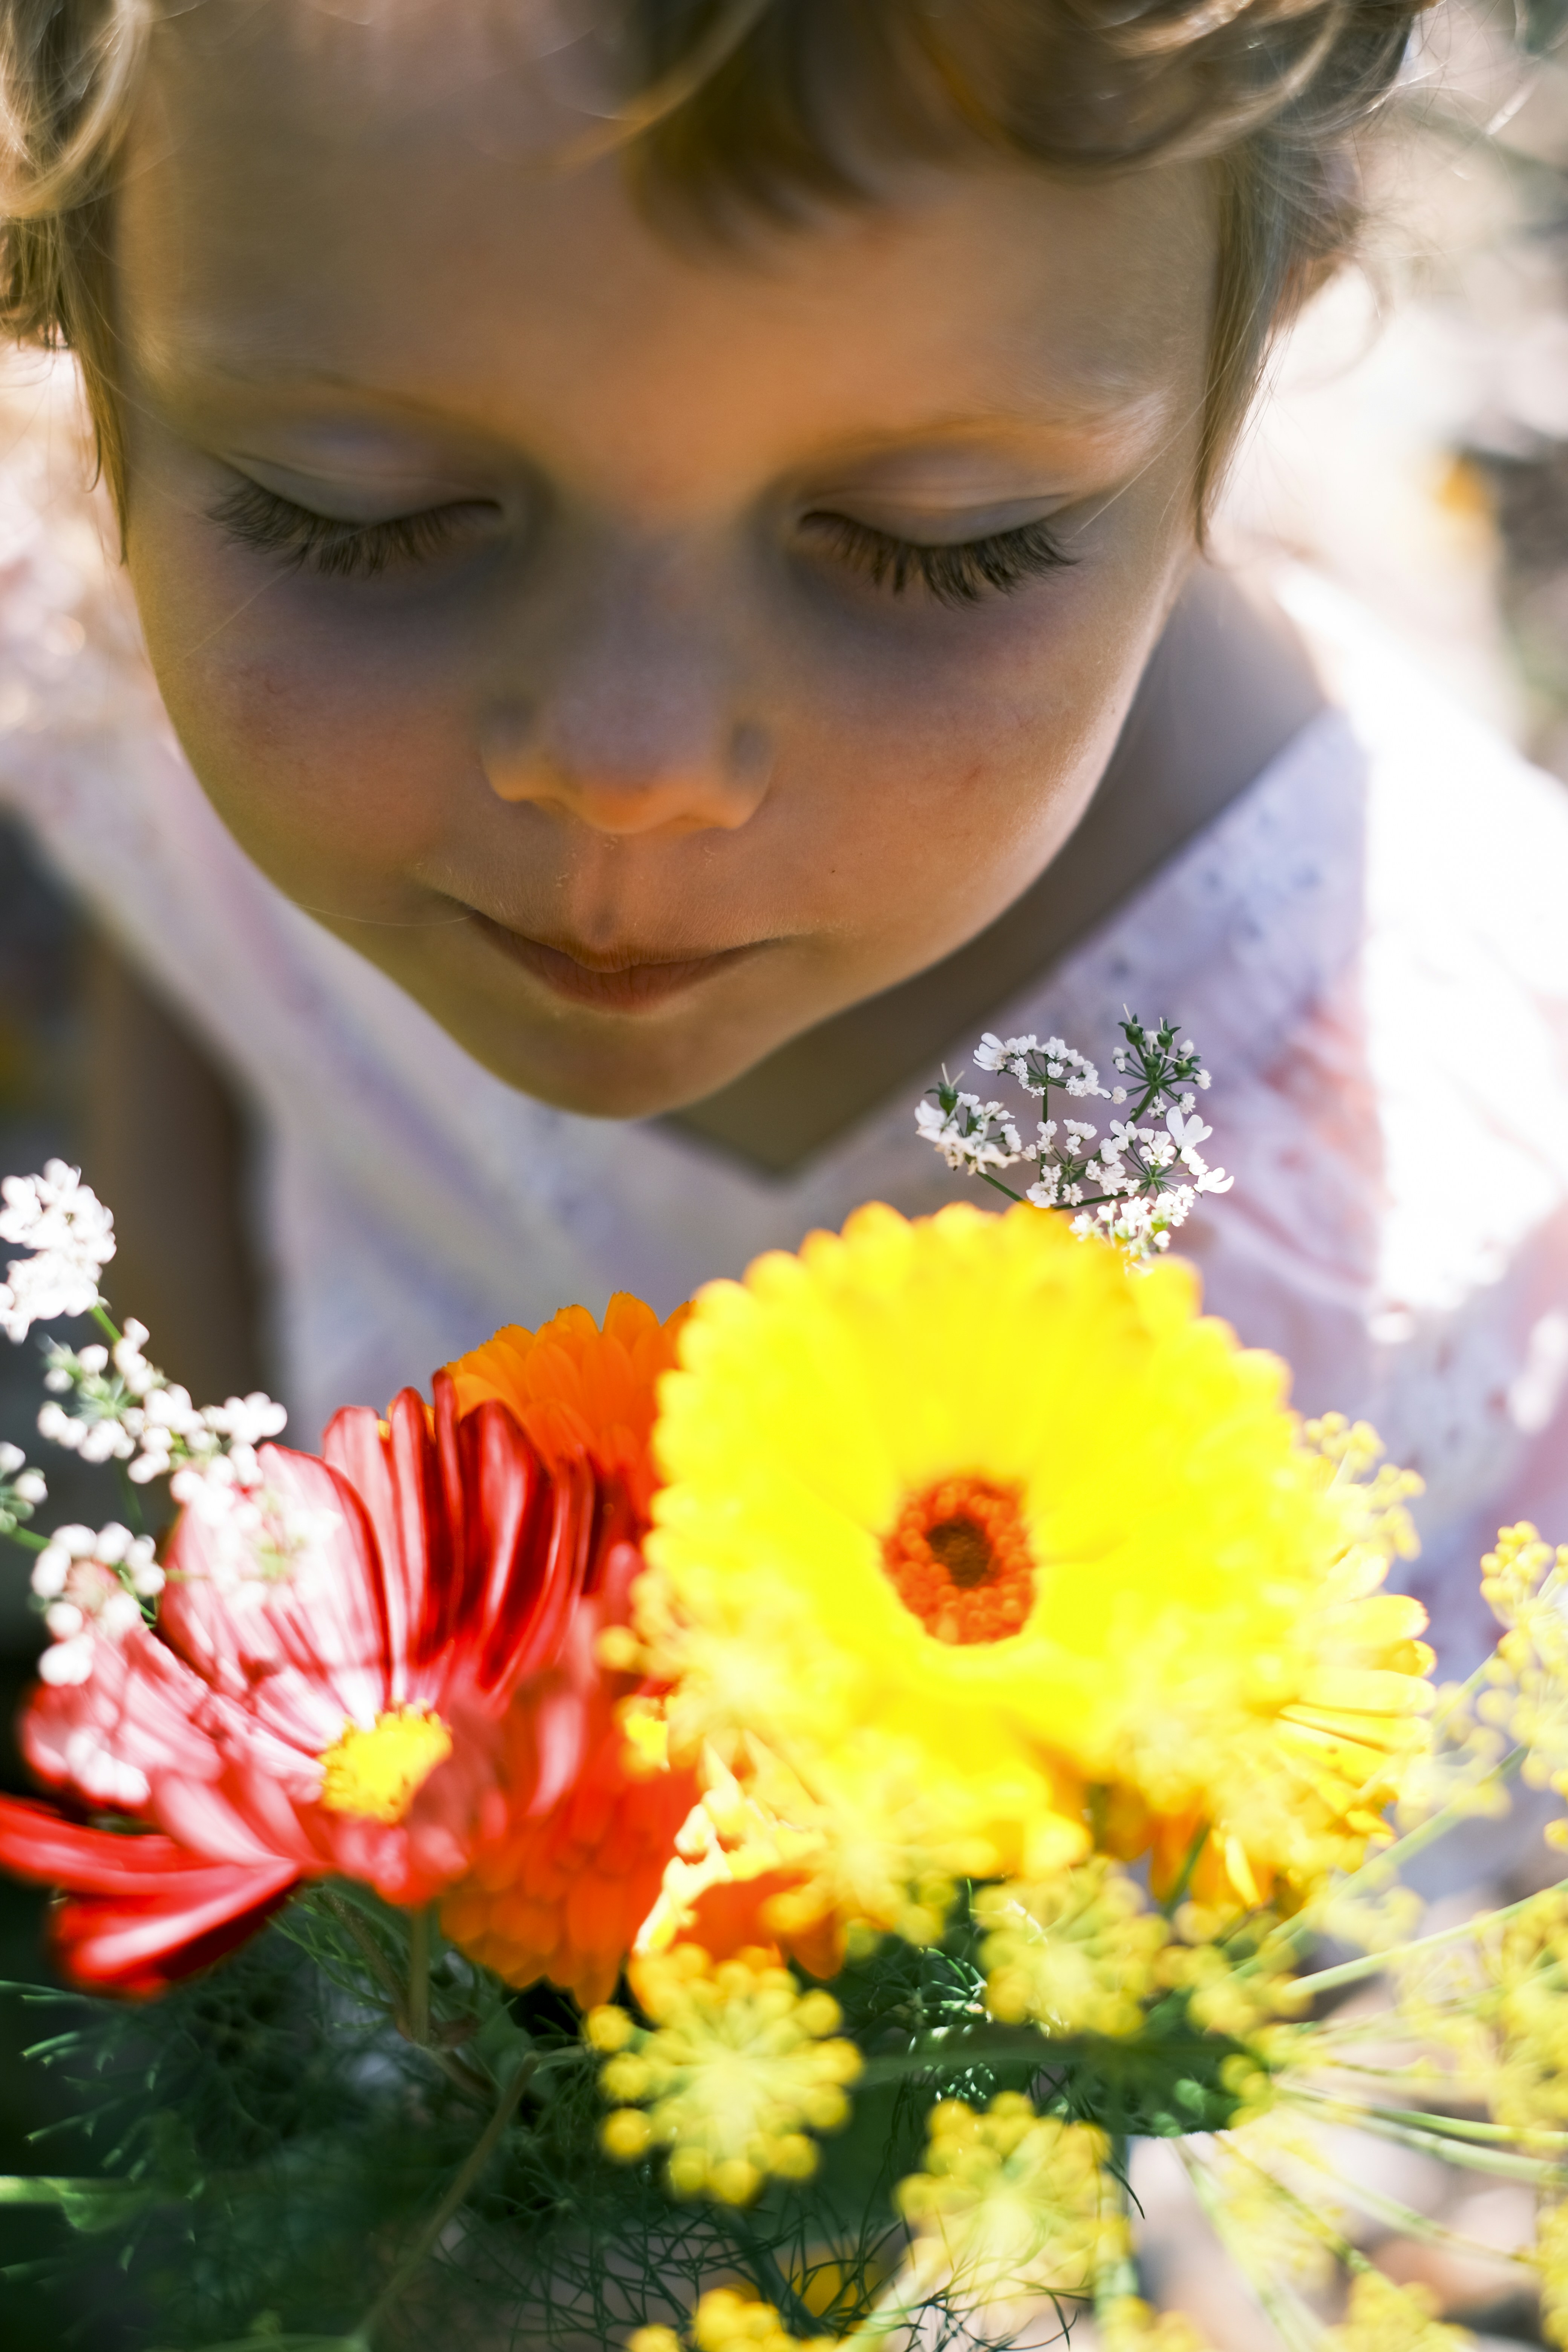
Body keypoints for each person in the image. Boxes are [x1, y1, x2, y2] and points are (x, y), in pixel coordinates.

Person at [1, 0, 1566, 1675]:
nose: (627, 769)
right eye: (357, 516)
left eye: (930, 547)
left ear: (1260, 328)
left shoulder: (1408, 1280)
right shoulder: (118, 638)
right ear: (84, 326)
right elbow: (195, 969)